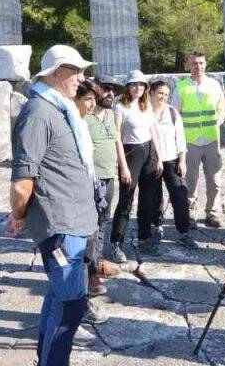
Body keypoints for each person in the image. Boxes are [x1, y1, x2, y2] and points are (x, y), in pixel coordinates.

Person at [8, 45, 104, 365]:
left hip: (75, 221)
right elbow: (23, 180)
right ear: (56, 72)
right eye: (75, 71)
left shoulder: (60, 108)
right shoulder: (38, 112)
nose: (81, 77)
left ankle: (44, 358)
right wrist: (19, 214)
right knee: (71, 306)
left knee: (57, 298)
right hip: (60, 225)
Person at [75, 80, 126, 299]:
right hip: (91, 178)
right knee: (90, 225)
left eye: (113, 91)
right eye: (106, 89)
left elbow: (117, 143)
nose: (110, 93)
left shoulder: (111, 116)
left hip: (109, 175)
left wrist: (123, 166)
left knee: (104, 220)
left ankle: (96, 263)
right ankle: (89, 273)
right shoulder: (83, 118)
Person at [108, 70, 161, 260]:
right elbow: (116, 138)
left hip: (148, 152)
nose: (137, 88)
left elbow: (153, 130)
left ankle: (144, 238)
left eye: (141, 84)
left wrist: (159, 157)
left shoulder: (146, 105)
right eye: (133, 84)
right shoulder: (120, 107)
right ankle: (117, 243)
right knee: (126, 199)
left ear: (145, 87)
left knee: (148, 198)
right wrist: (122, 165)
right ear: (128, 86)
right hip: (131, 152)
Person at [171, 50, 225, 228]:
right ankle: (191, 213)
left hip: (211, 140)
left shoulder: (215, 85)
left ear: (205, 64)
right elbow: (175, 115)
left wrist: (214, 126)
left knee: (215, 180)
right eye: (194, 63)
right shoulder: (181, 87)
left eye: (201, 63)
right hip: (190, 141)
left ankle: (213, 212)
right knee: (190, 181)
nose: (198, 66)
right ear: (189, 65)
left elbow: (221, 110)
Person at [144, 80, 200, 249]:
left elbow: (181, 138)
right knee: (155, 197)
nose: (163, 97)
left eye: (167, 94)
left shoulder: (173, 112)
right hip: (152, 161)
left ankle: (183, 232)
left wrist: (182, 160)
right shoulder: (144, 112)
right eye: (160, 93)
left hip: (172, 159)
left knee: (180, 195)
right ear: (151, 93)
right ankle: (157, 227)